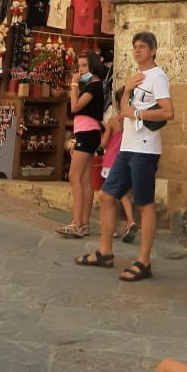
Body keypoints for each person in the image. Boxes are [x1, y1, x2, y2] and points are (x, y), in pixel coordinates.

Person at [76, 30, 172, 280]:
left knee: (144, 204)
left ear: (152, 50)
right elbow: (125, 109)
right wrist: (127, 90)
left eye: (142, 46)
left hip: (145, 149)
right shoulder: (135, 77)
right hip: (127, 147)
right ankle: (105, 252)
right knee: (107, 196)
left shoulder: (158, 77)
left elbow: (167, 112)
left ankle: (143, 261)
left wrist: (138, 114)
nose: (137, 50)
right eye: (135, 46)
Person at [57, 51, 107, 238]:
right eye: (79, 66)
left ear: (92, 66)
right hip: (87, 132)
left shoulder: (93, 86)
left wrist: (74, 84)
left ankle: (77, 222)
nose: (80, 69)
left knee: (74, 177)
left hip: (86, 133)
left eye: (84, 66)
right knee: (85, 179)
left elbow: (75, 107)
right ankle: (83, 224)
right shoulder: (92, 86)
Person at [99, 89, 138, 244]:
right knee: (124, 195)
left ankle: (116, 226)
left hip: (111, 163)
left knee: (110, 197)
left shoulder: (113, 122)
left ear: (116, 103)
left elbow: (104, 144)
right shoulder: (134, 121)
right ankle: (129, 222)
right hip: (129, 161)